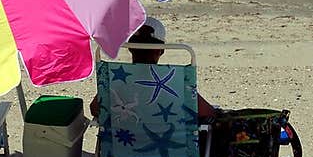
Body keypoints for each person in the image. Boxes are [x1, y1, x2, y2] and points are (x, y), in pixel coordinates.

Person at [89, 16, 218, 119]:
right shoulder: (177, 83)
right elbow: (208, 112)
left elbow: (95, 109)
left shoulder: (115, 81)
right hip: (172, 151)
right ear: (161, 50)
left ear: (129, 48)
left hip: (121, 150)